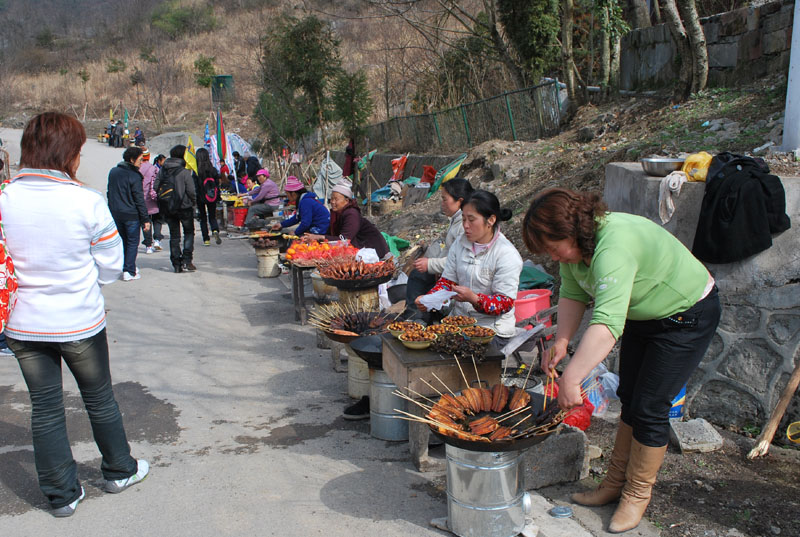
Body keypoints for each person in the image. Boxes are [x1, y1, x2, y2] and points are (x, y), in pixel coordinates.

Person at [522, 188, 721, 533]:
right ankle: (613, 484)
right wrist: (563, 340)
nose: (554, 257)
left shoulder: (613, 246)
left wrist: (571, 379)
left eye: (554, 248)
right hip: (645, 316)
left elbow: (607, 324)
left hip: (686, 316)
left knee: (649, 406)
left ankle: (636, 494)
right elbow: (572, 292)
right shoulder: (575, 252)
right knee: (630, 395)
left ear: (573, 231)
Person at [0, 112, 149, 518]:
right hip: (79, 321)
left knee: (44, 407)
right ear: (70, 153)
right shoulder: (85, 201)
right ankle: (119, 470)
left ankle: (61, 495)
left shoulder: (4, 199)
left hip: (23, 324)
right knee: (99, 398)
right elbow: (110, 264)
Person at [415, 190, 522, 339]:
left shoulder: (506, 254)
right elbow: (447, 281)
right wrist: (430, 299)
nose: (465, 225)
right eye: (463, 219)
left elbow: (504, 303)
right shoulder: (460, 243)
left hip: (492, 330)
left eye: (471, 220)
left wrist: (474, 298)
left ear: (490, 220)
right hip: (459, 323)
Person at [306, 179, 389, 257]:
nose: (332, 202)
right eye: (331, 198)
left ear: (346, 201)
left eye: (336, 199)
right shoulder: (337, 213)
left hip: (374, 253)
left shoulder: (351, 214)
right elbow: (330, 234)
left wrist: (320, 237)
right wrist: (315, 239)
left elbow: (344, 239)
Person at [107, 146, 151, 281]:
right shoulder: (134, 176)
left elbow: (110, 193)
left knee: (123, 241)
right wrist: (145, 219)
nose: (141, 162)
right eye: (140, 160)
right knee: (132, 242)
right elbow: (139, 199)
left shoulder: (114, 172)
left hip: (116, 213)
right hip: (131, 214)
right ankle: (129, 270)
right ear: (132, 160)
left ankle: (125, 265)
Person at [155, 145, 197, 273]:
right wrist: (193, 202)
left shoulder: (163, 170)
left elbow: (156, 186)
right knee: (188, 233)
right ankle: (187, 260)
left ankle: (176, 264)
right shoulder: (184, 172)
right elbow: (191, 191)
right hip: (184, 207)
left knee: (174, 236)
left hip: (168, 207)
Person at [194, 147, 222, 246]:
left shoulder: (196, 171)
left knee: (202, 218)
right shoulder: (213, 170)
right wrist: (218, 196)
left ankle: (206, 239)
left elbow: (195, 186)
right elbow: (217, 184)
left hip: (201, 197)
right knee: (212, 216)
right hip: (212, 196)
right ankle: (215, 230)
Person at [139, 149, 163, 253]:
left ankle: (148, 245)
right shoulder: (153, 168)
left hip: (141, 199)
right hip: (153, 198)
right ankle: (157, 240)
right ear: (148, 157)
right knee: (157, 220)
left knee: (145, 222)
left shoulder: (137, 169)